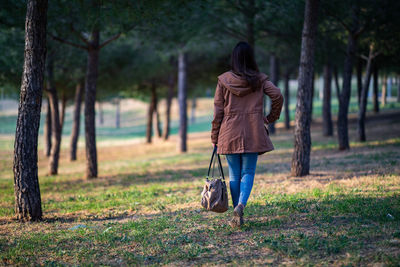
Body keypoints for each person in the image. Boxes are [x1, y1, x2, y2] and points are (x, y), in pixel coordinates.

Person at [211, 41, 284, 228]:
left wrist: (214, 136)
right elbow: (277, 95)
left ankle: (237, 209)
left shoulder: (224, 81)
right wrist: (270, 117)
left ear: (234, 59)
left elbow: (218, 111)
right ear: (251, 58)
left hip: (229, 131)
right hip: (253, 130)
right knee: (248, 172)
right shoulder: (259, 80)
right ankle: (241, 205)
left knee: (234, 174)